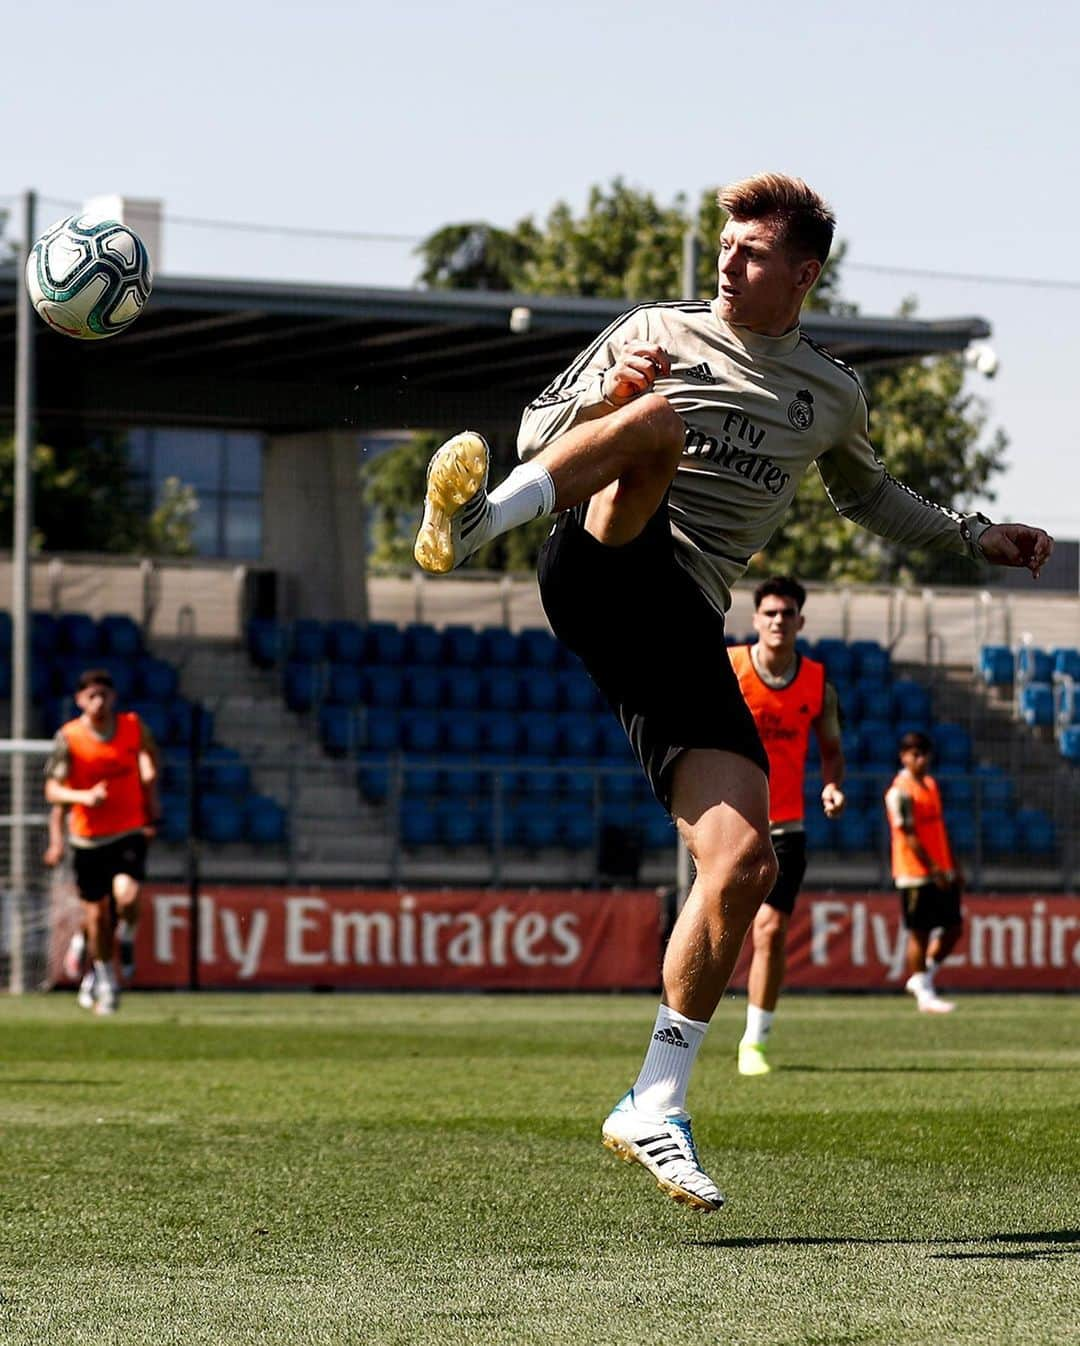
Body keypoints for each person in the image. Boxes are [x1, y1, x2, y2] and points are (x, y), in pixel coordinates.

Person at [413, 172, 1052, 1212]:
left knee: (744, 860)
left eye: (750, 250)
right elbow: (539, 430)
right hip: (602, 555)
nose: (725, 260)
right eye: (724, 243)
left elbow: (871, 495)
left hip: (677, 627)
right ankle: (471, 527)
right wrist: (610, 393)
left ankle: (654, 1099)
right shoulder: (655, 328)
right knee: (657, 421)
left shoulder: (830, 391)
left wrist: (975, 534)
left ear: (801, 272)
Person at [728, 576, 845, 1076]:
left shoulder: (818, 683)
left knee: (771, 931)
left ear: (800, 620)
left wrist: (832, 785)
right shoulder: (730, 667)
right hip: (728, 822)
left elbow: (832, 751)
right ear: (756, 619)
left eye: (787, 613)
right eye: (770, 612)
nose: (778, 620)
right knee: (719, 931)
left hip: (787, 826)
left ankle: (754, 1041)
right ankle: (680, 1031)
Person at [43, 668, 161, 1015]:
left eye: (104, 695)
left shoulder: (132, 727)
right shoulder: (70, 738)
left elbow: (150, 754)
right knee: (96, 915)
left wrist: (151, 794)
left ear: (114, 698)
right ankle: (104, 978)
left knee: (128, 895)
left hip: (128, 830)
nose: (99, 702)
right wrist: (83, 797)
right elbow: (52, 791)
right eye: (91, 696)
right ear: (80, 700)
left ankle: (124, 938)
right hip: (88, 839)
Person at [884, 731, 963, 1014]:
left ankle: (922, 978)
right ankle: (924, 993)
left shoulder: (930, 785)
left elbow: (939, 830)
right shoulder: (899, 792)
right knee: (920, 932)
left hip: (941, 870)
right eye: (914, 753)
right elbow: (908, 835)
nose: (920, 759)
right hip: (915, 873)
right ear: (904, 756)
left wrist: (953, 864)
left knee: (954, 928)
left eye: (924, 753)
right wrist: (933, 868)